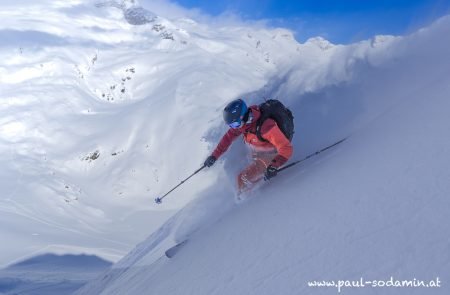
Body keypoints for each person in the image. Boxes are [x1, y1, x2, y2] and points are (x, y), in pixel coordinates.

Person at [204, 99, 293, 194]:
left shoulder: (266, 127)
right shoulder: (242, 125)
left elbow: (286, 148)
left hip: (271, 156)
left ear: (243, 117)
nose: (234, 128)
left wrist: (274, 165)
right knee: (242, 173)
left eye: (235, 124)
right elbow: (227, 139)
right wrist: (214, 156)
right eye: (231, 125)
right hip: (257, 152)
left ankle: (249, 202)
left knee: (242, 179)